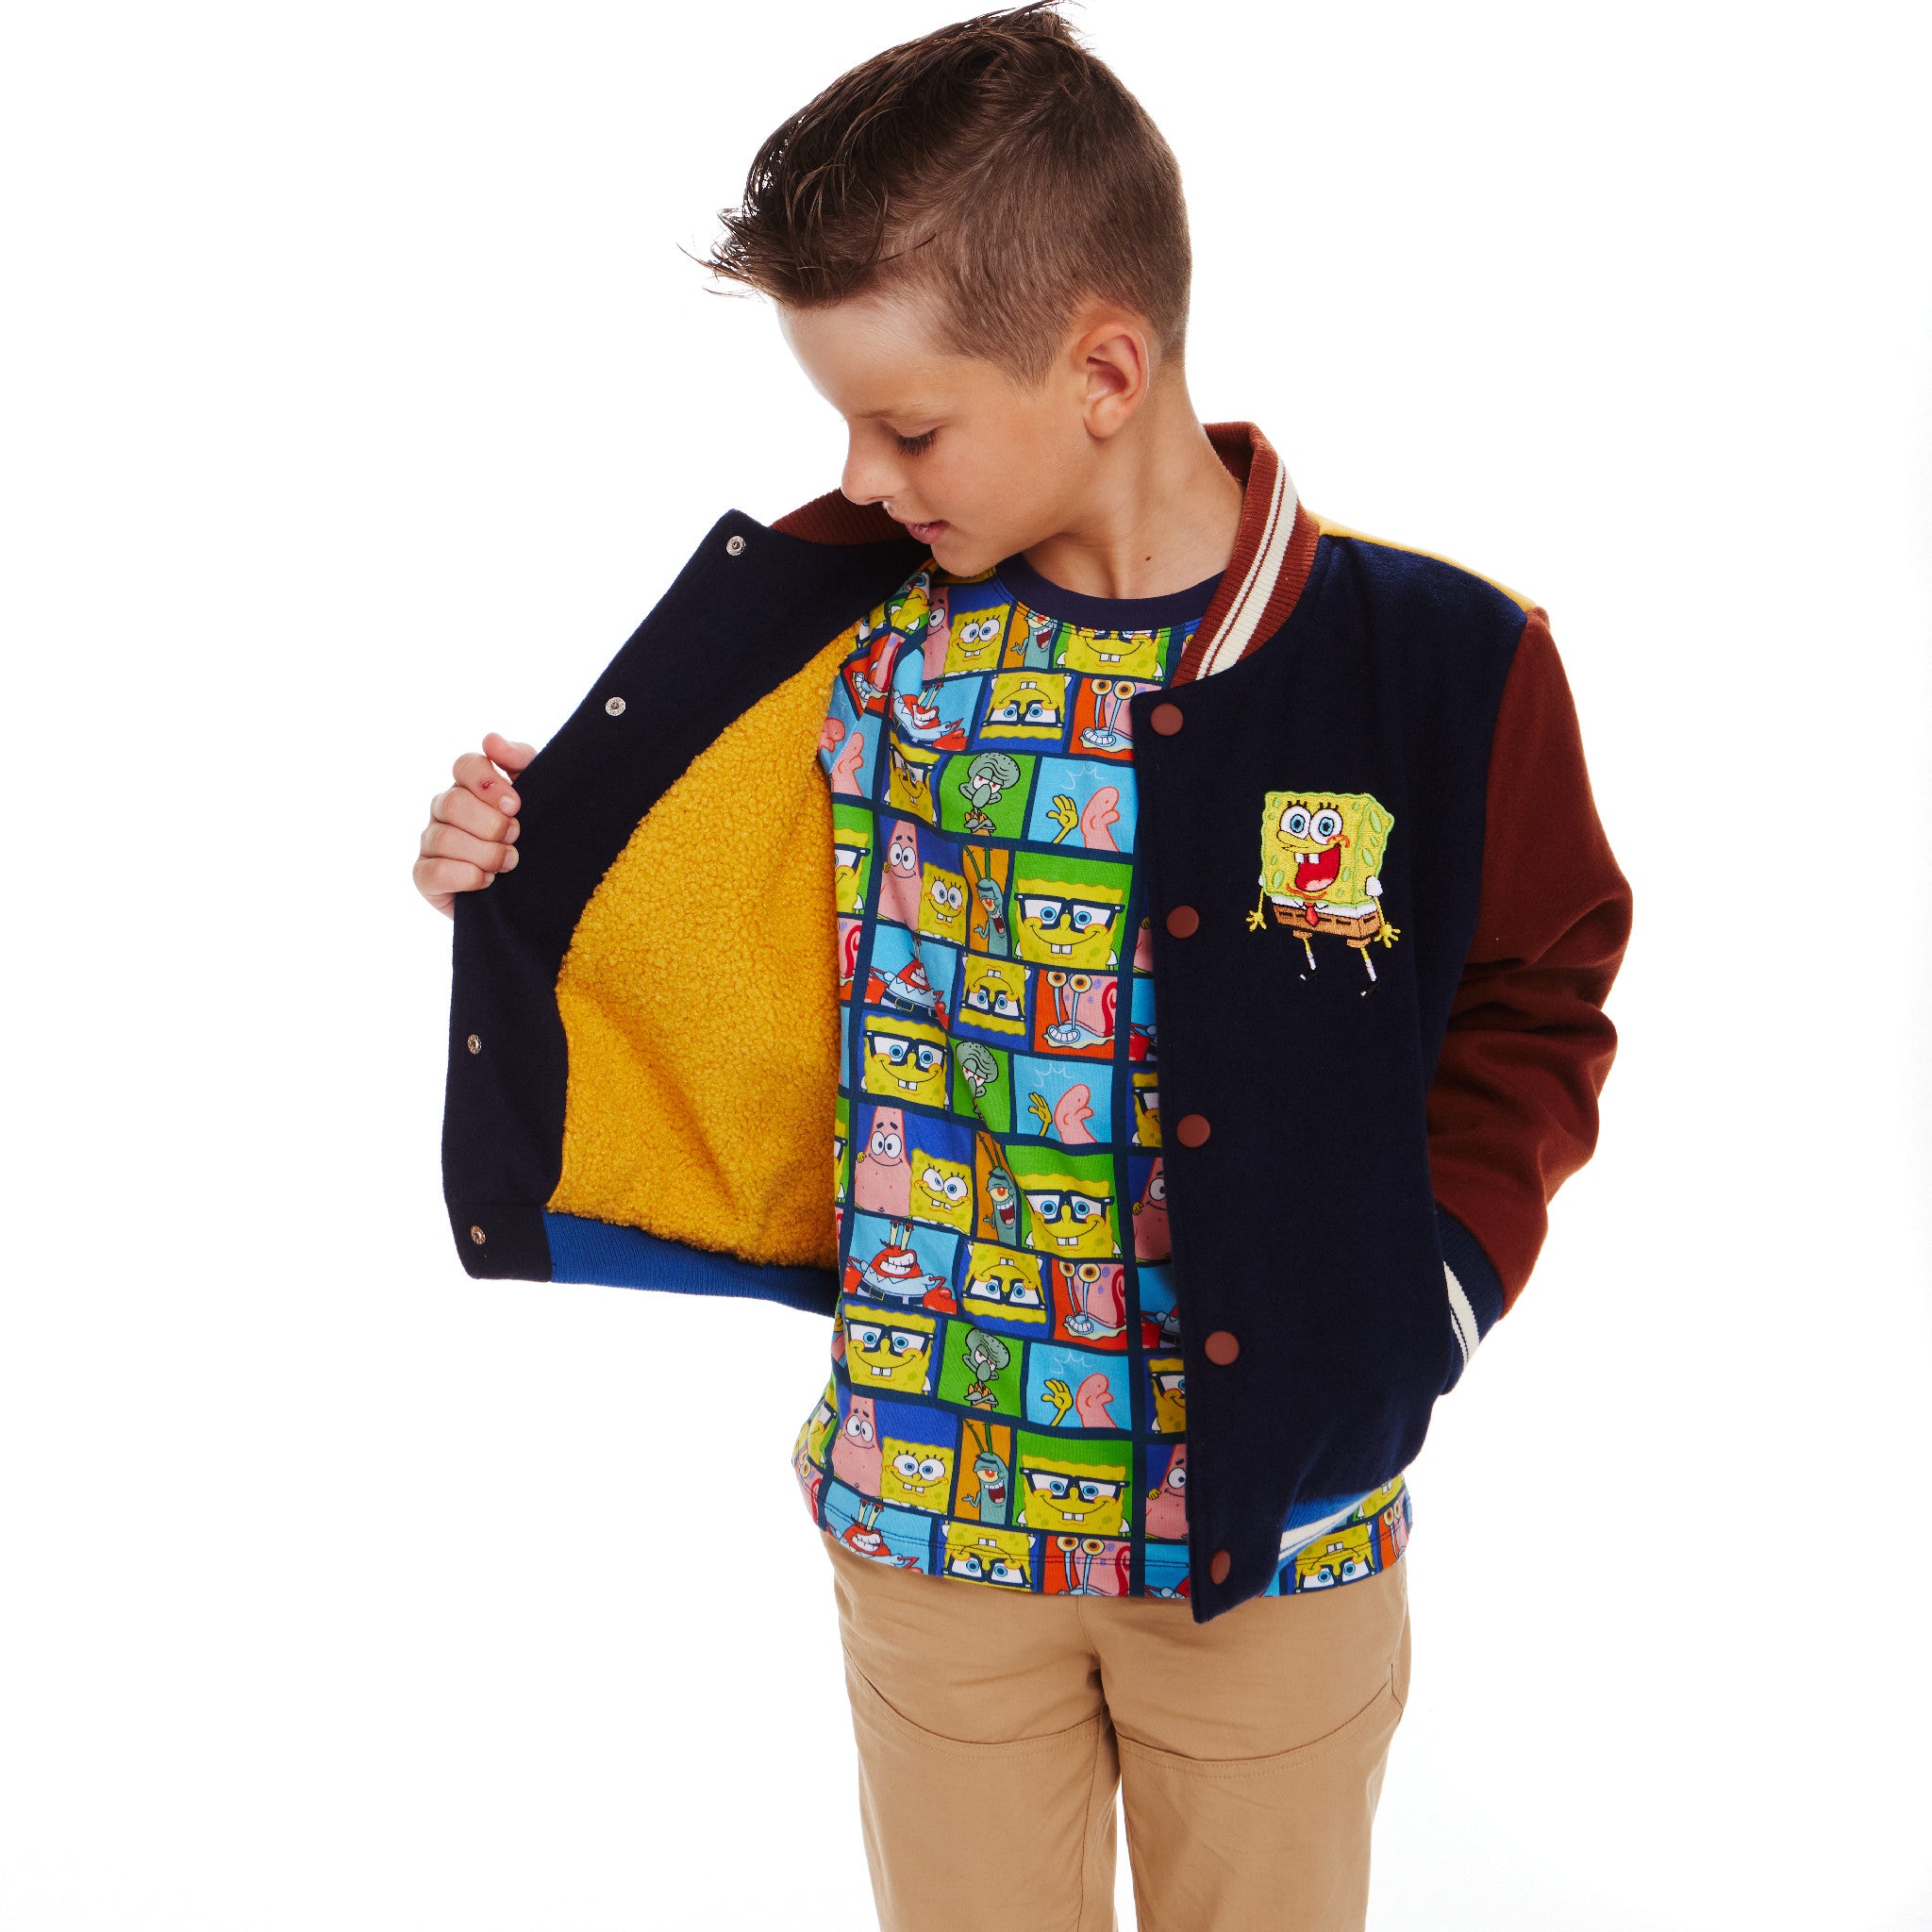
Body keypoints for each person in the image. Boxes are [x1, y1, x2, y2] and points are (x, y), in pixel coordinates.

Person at [411, 8, 1632, 1927]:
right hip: (928, 1523)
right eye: (845, 425)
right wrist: (501, 867)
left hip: (1274, 1542)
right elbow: (660, 881)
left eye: (907, 426)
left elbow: (1538, 988)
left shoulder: (1439, 663)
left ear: (1104, 370)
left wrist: (1441, 1288)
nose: (862, 469)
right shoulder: (863, 640)